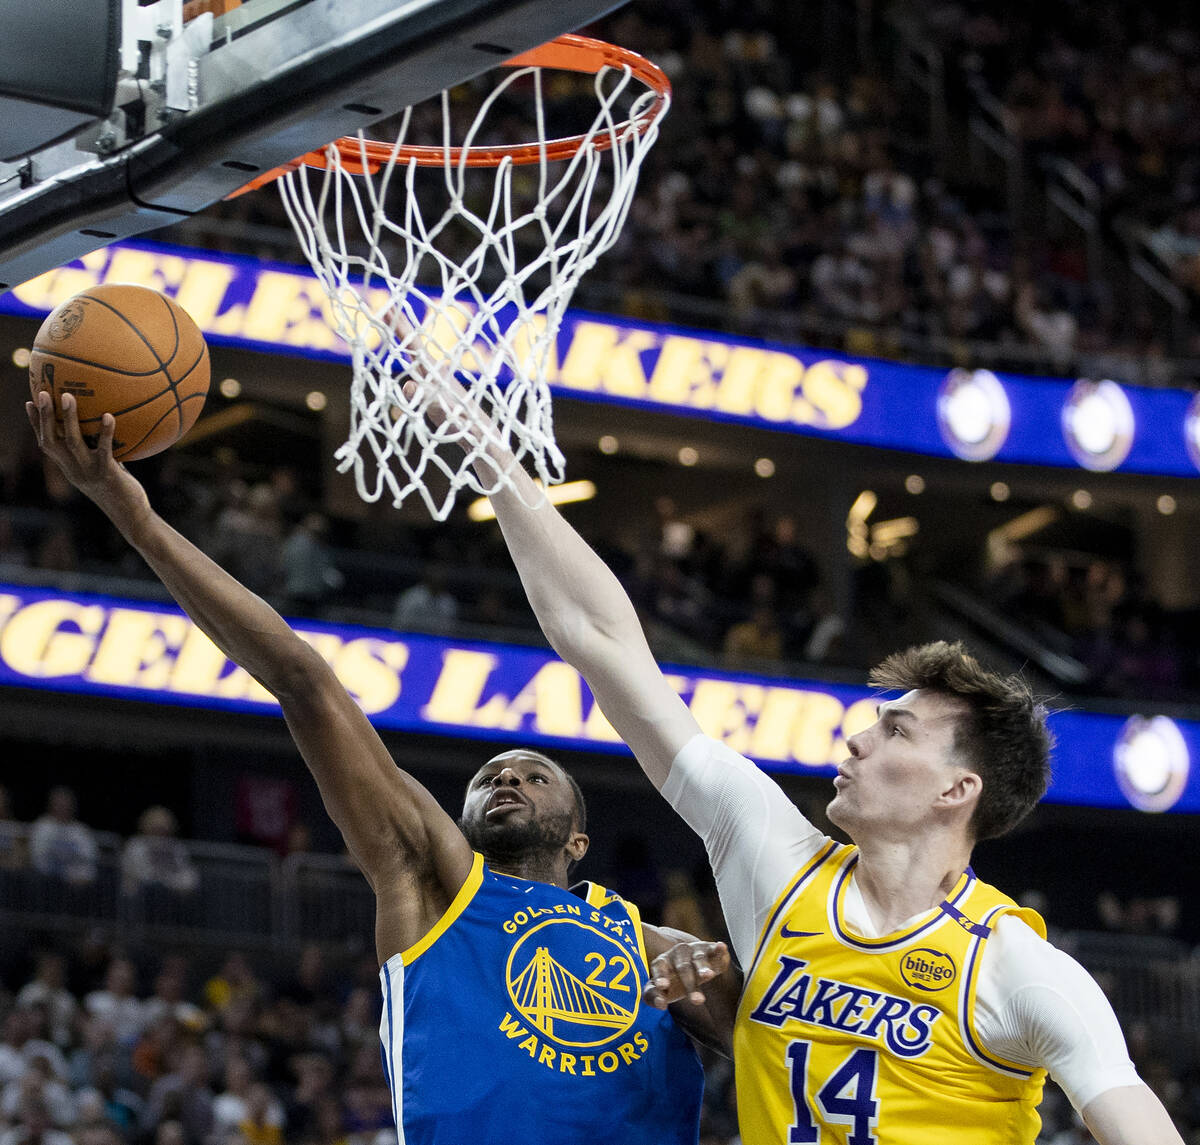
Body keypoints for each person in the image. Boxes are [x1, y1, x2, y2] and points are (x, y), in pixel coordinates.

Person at [402, 371, 1183, 1144]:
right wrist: (484, 443)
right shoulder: (778, 863)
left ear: (957, 789)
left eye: (897, 732)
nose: (858, 740)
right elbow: (601, 640)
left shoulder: (1015, 966)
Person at [27, 390, 733, 1145]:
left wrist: (712, 977)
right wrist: (135, 518)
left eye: (533, 774)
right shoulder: (437, 881)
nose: (506, 779)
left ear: (579, 842)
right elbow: (303, 678)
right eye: (491, 775)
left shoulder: (639, 936)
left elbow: (765, 1034)